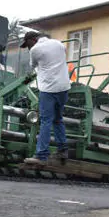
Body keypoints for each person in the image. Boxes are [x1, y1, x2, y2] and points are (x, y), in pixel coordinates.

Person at [21, 31, 71, 164]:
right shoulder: (58, 43)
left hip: (48, 90)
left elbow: (33, 66)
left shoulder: (35, 50)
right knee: (58, 119)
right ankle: (62, 151)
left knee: (45, 121)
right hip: (64, 87)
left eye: (28, 45)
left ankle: (41, 155)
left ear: (33, 40)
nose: (28, 48)